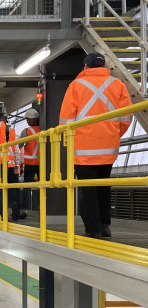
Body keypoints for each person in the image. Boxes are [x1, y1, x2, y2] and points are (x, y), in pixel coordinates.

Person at [59, 52, 132, 238]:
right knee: (103, 186)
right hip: (108, 148)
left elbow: (66, 121)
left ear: (85, 67)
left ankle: (92, 229)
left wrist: (70, 141)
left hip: (83, 149)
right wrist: (113, 135)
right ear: (103, 67)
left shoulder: (75, 86)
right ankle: (105, 225)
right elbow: (126, 118)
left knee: (87, 189)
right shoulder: (118, 85)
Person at [19, 108, 41, 210]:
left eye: (28, 119)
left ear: (34, 120)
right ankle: (43, 206)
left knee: (27, 187)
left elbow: (19, 145)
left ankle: (26, 207)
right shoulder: (43, 129)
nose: (27, 121)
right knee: (43, 186)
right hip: (41, 163)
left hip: (29, 164)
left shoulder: (26, 131)